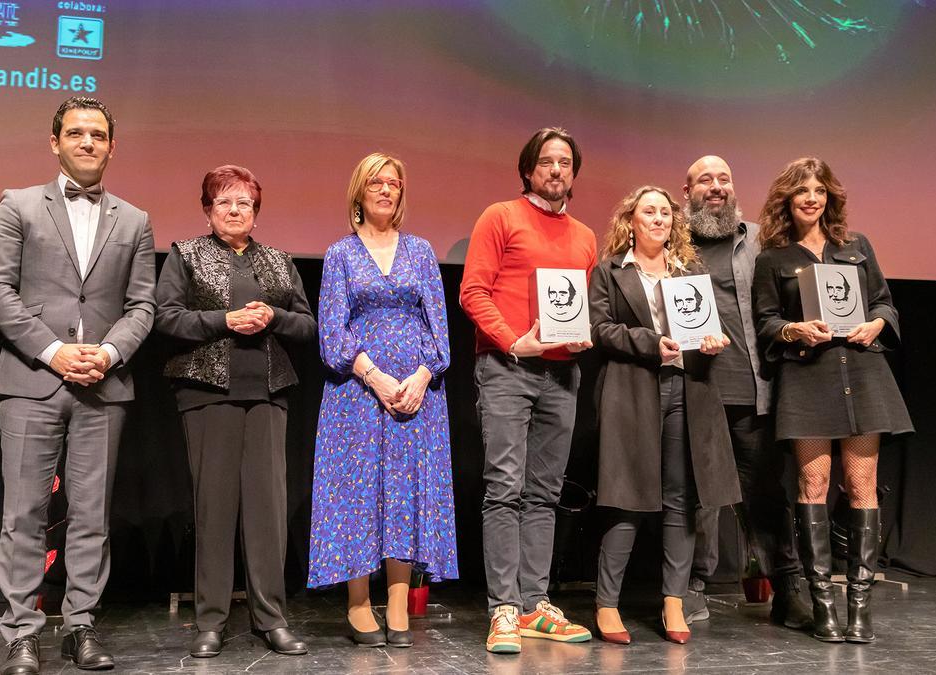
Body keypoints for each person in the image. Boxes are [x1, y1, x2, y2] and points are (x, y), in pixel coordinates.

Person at [0, 96, 155, 674]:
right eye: (76, 133)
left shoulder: (135, 220)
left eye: (98, 135)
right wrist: (54, 352)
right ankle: (22, 632)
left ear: (111, 145)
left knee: (91, 516)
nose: (87, 143)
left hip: (103, 386)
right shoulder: (17, 205)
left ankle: (81, 627)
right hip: (31, 382)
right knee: (23, 514)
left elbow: (142, 306)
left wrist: (105, 352)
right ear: (54, 142)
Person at [154, 165, 316, 658]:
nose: (234, 210)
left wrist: (277, 316)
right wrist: (223, 319)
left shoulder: (278, 260)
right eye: (223, 202)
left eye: (244, 202)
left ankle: (272, 618)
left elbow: (309, 327)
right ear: (207, 210)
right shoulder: (187, 254)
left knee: (268, 512)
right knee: (215, 510)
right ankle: (211, 622)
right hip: (206, 394)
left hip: (268, 394)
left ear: (256, 211)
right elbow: (165, 317)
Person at [752, 157, 912, 644]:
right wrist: (792, 328)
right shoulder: (773, 258)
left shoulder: (855, 246)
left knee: (862, 486)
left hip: (863, 374)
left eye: (819, 190)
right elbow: (764, 322)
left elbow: (884, 301)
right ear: (786, 199)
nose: (811, 198)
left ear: (829, 197)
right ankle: (823, 605)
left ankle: (859, 608)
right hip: (807, 379)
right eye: (801, 191)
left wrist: (877, 323)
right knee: (812, 482)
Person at [309, 152, 458, 649]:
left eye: (394, 183)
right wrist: (374, 377)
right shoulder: (339, 254)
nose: (385, 190)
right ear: (359, 191)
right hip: (355, 393)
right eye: (376, 182)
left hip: (417, 396)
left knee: (403, 494)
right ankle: (357, 601)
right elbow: (331, 333)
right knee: (359, 495)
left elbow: (440, 332)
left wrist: (419, 378)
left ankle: (397, 603)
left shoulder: (421, 251)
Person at [459, 127, 597, 654]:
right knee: (505, 487)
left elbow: (583, 304)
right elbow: (473, 291)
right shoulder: (500, 217)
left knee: (545, 492)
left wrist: (581, 336)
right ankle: (504, 611)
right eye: (547, 161)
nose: (557, 169)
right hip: (507, 369)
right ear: (528, 169)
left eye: (565, 162)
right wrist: (515, 341)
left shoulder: (585, 236)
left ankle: (537, 604)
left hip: (564, 375)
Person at [589, 186, 741, 645]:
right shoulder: (610, 271)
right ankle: (607, 603)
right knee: (629, 498)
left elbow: (705, 327)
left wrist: (711, 342)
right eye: (648, 212)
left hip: (687, 389)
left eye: (664, 213)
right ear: (630, 220)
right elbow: (599, 329)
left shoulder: (690, 270)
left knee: (682, 498)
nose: (657, 219)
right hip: (633, 390)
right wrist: (649, 344)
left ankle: (674, 600)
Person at [682, 155, 811, 629]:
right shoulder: (672, 244)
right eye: (704, 180)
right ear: (687, 190)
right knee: (697, 497)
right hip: (695, 388)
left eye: (724, 178)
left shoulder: (759, 239)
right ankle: (693, 586)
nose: (716, 187)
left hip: (754, 389)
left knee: (766, 495)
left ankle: (787, 589)